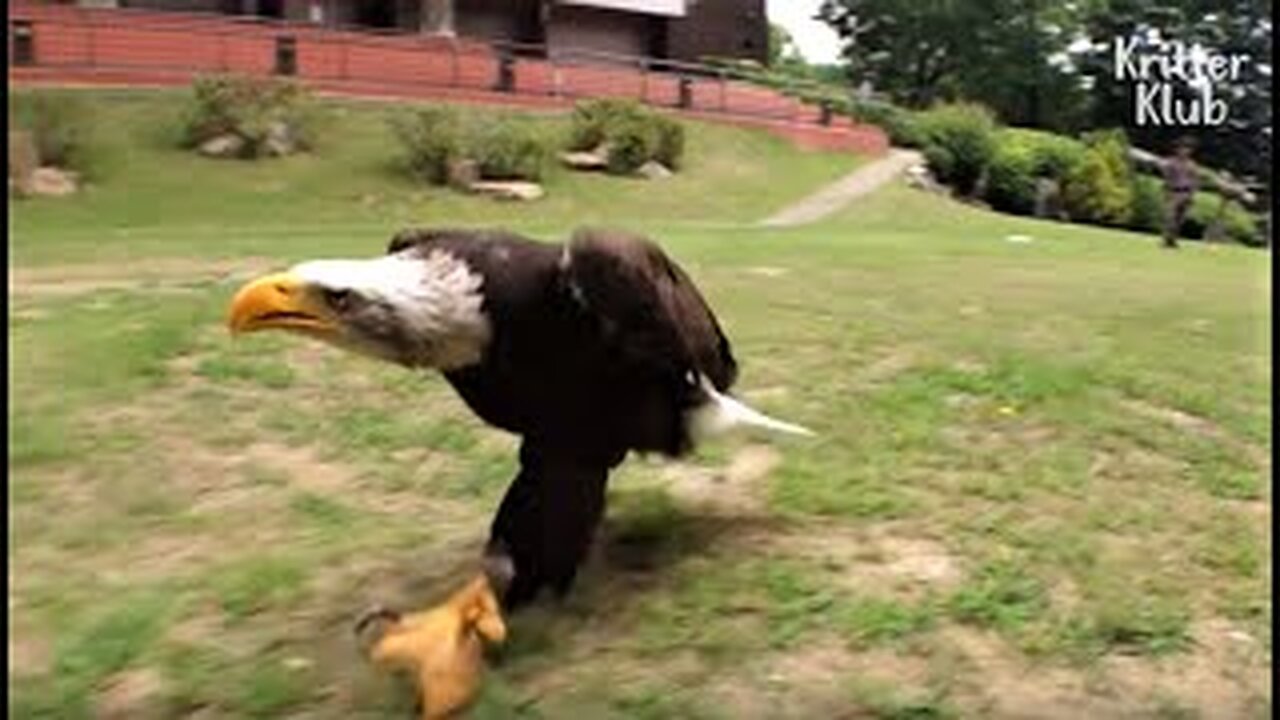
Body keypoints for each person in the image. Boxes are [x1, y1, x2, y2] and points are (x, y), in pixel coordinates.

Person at [1162, 137, 1199, 249]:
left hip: (1186, 192)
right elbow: (1167, 177)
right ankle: (1167, 239)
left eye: (1187, 149)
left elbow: (1195, 181)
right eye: (1182, 148)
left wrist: (1192, 195)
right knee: (1170, 217)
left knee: (1180, 219)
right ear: (1177, 149)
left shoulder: (1192, 165)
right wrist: (1166, 191)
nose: (1184, 151)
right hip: (1174, 191)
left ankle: (1173, 240)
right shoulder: (1171, 162)